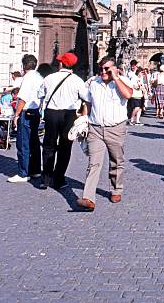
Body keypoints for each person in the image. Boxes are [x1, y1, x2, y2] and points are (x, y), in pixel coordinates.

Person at [77, 56, 133, 211]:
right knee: (93, 163)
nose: (103, 71)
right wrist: (83, 119)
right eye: (101, 68)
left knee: (116, 161)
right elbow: (88, 102)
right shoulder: (94, 83)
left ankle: (116, 189)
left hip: (116, 128)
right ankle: (88, 198)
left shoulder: (123, 81)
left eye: (107, 69)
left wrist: (115, 78)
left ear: (114, 68)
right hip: (95, 128)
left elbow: (128, 95)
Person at [39, 52, 87, 190]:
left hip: (52, 113)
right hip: (69, 114)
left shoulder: (49, 78)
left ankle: (46, 178)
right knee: (65, 146)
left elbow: (40, 94)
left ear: (61, 63)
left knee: (49, 145)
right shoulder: (77, 80)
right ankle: (59, 179)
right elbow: (86, 97)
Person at [7, 54, 43, 183]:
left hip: (26, 111)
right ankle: (36, 170)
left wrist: (16, 115)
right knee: (34, 142)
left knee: (23, 142)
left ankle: (23, 173)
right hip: (35, 111)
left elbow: (22, 98)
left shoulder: (27, 78)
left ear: (24, 66)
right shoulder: (39, 77)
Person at [127, 61, 146, 126]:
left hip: (140, 95)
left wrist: (144, 90)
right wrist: (137, 87)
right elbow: (131, 85)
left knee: (140, 108)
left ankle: (137, 120)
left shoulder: (140, 78)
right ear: (138, 73)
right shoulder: (134, 78)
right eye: (141, 73)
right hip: (135, 95)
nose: (142, 74)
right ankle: (132, 119)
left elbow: (142, 85)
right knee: (136, 107)